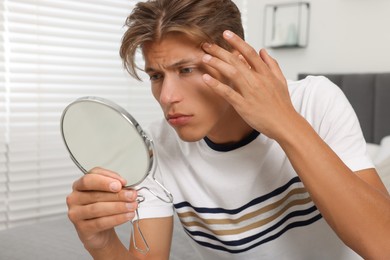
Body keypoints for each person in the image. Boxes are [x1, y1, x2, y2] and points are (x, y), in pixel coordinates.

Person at [66, 0, 390, 259]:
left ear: (234, 60)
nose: (166, 97)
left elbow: (383, 247)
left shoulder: (314, 101)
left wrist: (285, 124)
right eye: (156, 76)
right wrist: (99, 243)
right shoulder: (157, 150)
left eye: (186, 69)